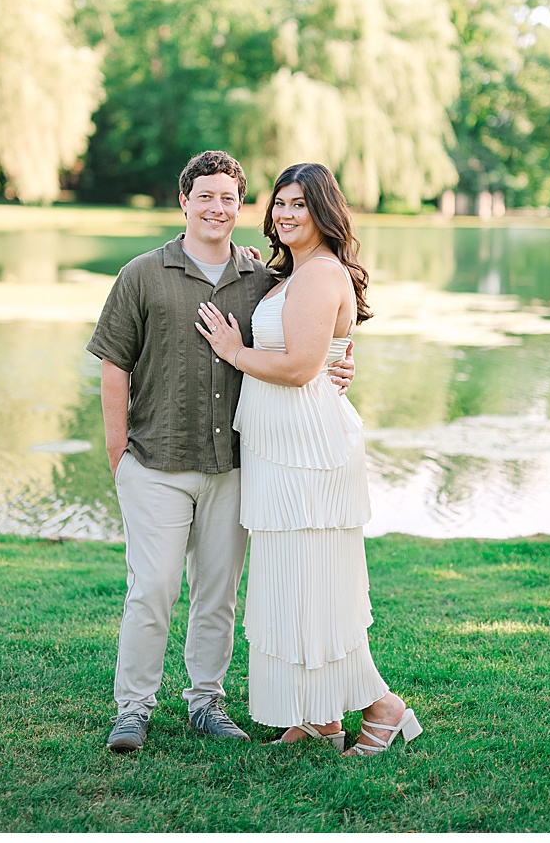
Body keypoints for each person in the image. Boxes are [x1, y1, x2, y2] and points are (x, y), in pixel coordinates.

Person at [89, 150, 354, 754]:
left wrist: (340, 363)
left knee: (218, 597)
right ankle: (133, 709)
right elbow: (112, 365)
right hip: (155, 461)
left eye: (228, 198)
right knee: (151, 590)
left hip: (234, 466)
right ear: (184, 201)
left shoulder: (262, 279)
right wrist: (117, 451)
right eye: (204, 196)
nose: (216, 207)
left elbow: (312, 334)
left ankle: (206, 702)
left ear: (240, 207)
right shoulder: (141, 274)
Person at [195, 162, 421, 757]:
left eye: (299, 204)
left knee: (316, 585)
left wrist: (232, 350)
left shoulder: (321, 274)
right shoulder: (289, 274)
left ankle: (383, 708)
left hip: (310, 454)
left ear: (324, 210)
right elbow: (317, 354)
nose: (285, 214)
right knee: (286, 583)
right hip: (278, 449)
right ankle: (315, 715)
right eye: (279, 204)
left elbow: (299, 369)